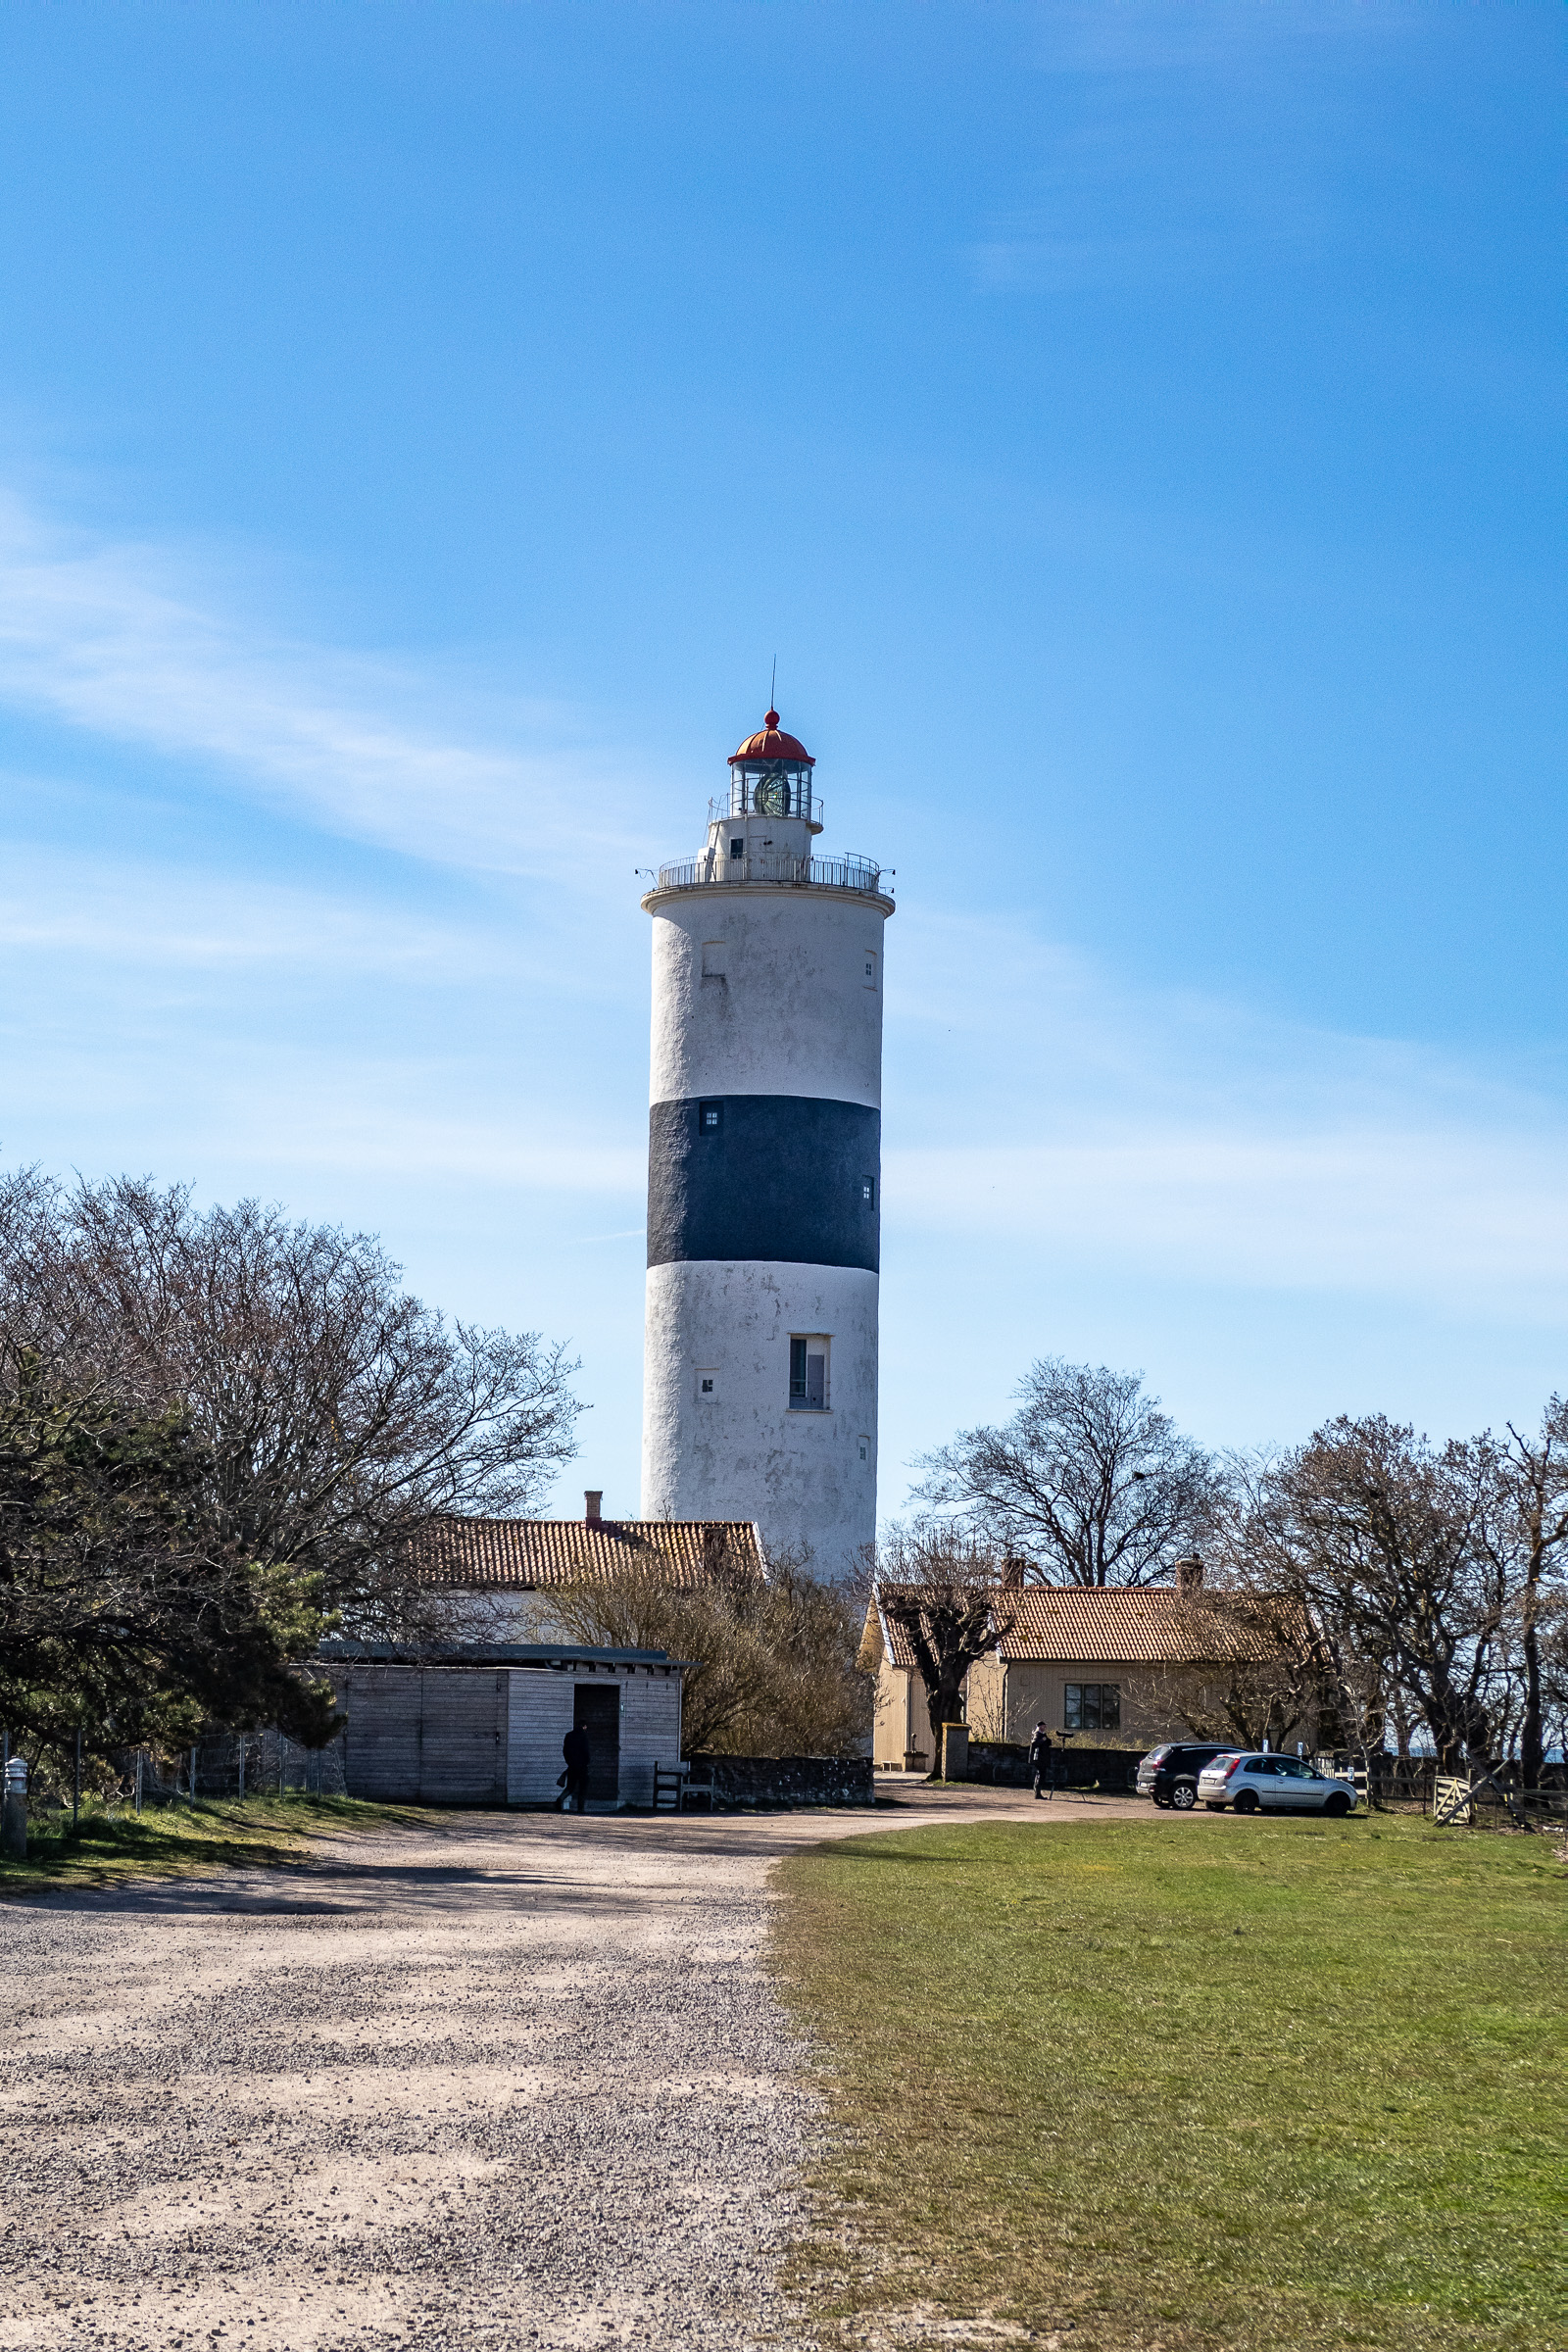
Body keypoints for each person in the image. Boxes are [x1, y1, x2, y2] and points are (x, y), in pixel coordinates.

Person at [559, 1722, 592, 1813]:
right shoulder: (583, 1736)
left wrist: (568, 1761)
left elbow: (565, 1750)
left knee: (570, 1786)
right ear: (584, 1726)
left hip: (572, 1765)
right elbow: (586, 1751)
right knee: (583, 1787)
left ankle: (560, 1800)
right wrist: (587, 1761)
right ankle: (580, 1808)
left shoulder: (569, 1735)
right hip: (582, 1766)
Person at [1029, 1722, 1054, 1800]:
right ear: (1040, 1727)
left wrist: (1046, 1740)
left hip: (1042, 1758)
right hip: (1040, 1758)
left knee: (1041, 1774)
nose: (1045, 1727)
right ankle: (1037, 1792)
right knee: (1040, 1775)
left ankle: (1038, 1792)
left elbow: (1049, 1742)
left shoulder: (1042, 1734)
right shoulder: (1037, 1734)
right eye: (1044, 1726)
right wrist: (1043, 1740)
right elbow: (1034, 1743)